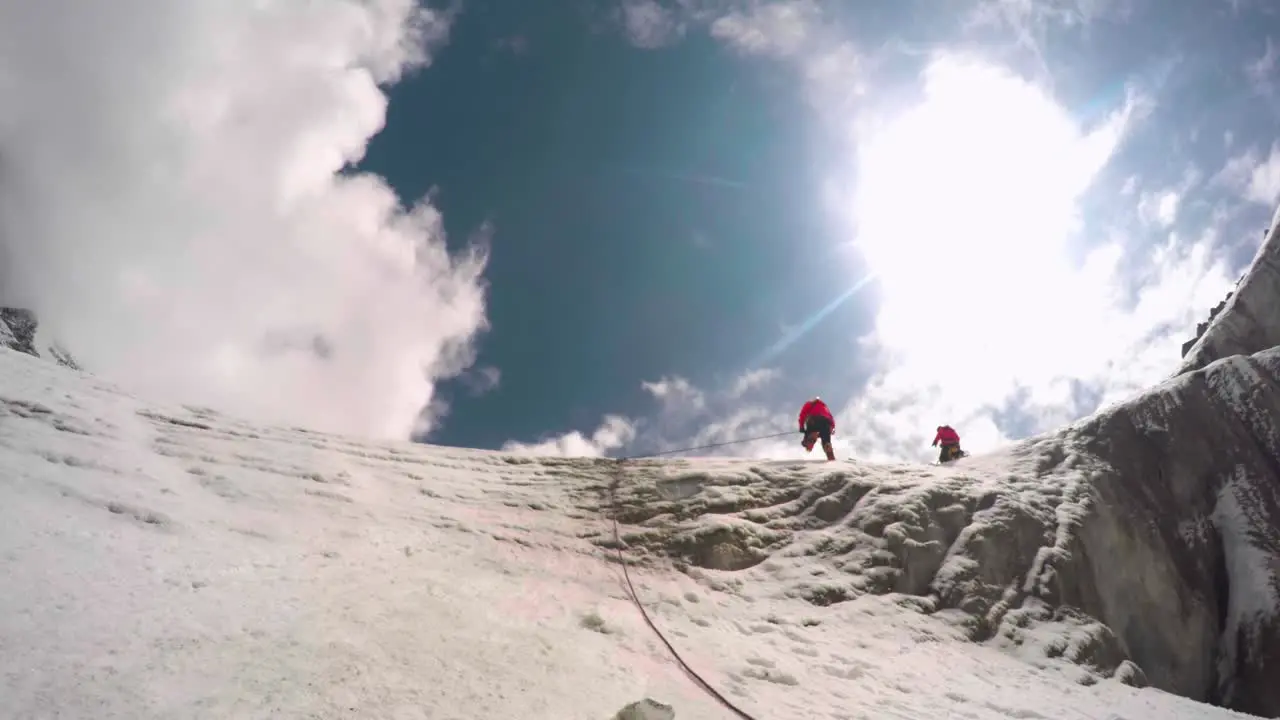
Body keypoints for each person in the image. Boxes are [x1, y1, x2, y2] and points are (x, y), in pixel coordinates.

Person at [798, 396, 836, 461]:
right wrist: (831, 429)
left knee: (811, 432)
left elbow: (802, 414)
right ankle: (828, 450)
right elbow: (831, 419)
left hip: (814, 419)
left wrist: (801, 427)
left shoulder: (809, 404)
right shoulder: (825, 407)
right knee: (826, 440)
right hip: (826, 423)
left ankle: (808, 442)